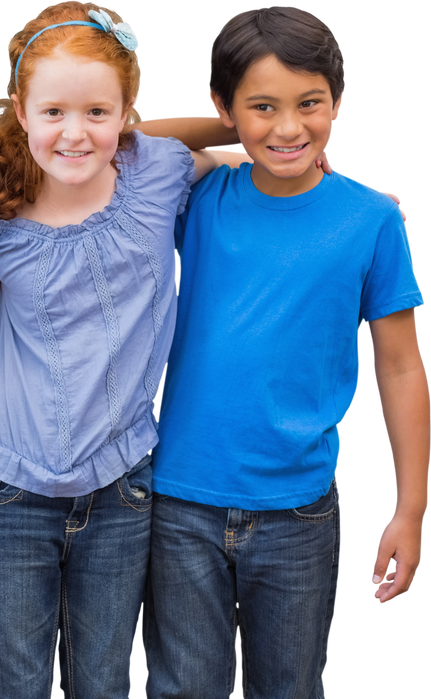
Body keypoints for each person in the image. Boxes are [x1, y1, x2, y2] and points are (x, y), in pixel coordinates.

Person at [0, 2, 257, 697]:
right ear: (21, 111)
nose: (74, 132)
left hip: (120, 483)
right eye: (53, 111)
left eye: (98, 112)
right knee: (17, 679)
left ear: (126, 112)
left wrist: (350, 197)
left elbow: (261, 162)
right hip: (9, 484)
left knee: (103, 677)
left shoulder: (156, 172)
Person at [144, 4, 428, 697]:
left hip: (301, 510)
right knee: (182, 688)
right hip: (179, 499)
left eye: (310, 104)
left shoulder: (372, 219)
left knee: (291, 689)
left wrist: (411, 506)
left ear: (339, 102)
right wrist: (232, 129)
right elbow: (120, 136)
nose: (289, 127)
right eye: (262, 106)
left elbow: (401, 364)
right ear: (223, 105)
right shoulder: (195, 194)